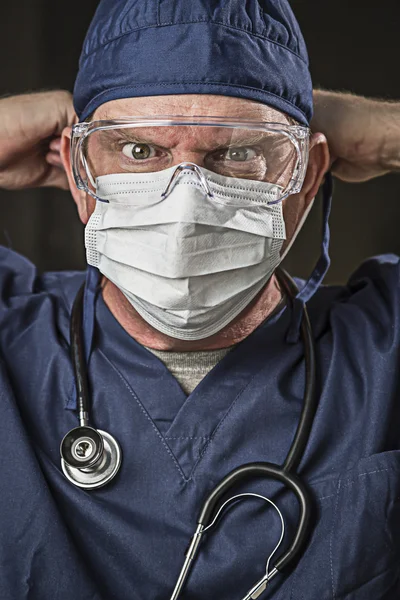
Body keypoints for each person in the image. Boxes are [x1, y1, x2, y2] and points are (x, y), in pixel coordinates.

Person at [0, 1, 399, 599]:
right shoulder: (10, 335)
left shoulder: (384, 347)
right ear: (83, 177)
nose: (185, 206)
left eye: (238, 153)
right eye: (139, 152)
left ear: (308, 177)